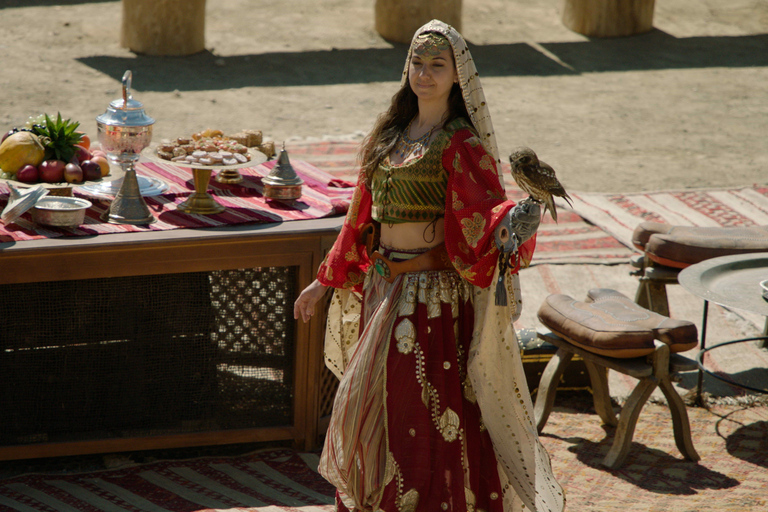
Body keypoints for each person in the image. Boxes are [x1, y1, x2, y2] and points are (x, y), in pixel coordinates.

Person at [294, 19, 565, 512]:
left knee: (419, 408)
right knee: (374, 406)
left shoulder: (459, 142)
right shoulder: (391, 133)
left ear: (457, 75)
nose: (425, 73)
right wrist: (322, 282)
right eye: (418, 63)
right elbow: (358, 215)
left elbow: (481, 215)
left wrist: (514, 220)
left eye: (437, 65)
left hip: (429, 297)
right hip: (382, 289)